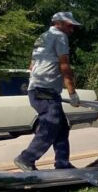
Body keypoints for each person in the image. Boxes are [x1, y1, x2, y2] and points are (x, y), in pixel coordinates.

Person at [14, 12, 81, 172]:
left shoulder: (42, 37)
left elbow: (32, 65)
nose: (72, 29)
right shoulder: (60, 37)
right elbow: (64, 66)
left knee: (61, 127)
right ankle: (26, 158)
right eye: (70, 25)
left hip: (39, 88)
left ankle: (62, 163)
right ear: (59, 24)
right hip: (45, 90)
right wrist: (72, 92)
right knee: (51, 124)